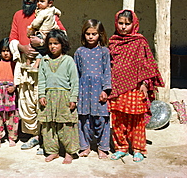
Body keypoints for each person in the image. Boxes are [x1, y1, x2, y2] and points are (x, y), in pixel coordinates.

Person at [9, 0, 66, 153]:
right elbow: (13, 38)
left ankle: (46, 138)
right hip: (24, 66)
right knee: (26, 100)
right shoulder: (18, 15)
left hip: (44, 65)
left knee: (42, 99)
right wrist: (22, 47)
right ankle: (34, 135)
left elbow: (62, 34)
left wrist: (42, 43)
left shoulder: (48, 14)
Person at [108, 9, 164, 163]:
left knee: (136, 120)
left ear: (134, 24)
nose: (123, 27)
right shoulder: (113, 41)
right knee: (118, 119)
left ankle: (138, 149)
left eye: (127, 23)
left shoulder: (140, 42)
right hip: (117, 87)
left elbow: (149, 65)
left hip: (135, 87)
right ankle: (121, 148)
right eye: (120, 23)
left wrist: (146, 83)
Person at [37, 29, 79, 164]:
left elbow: (74, 81)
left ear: (62, 44)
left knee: (67, 126)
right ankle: (52, 151)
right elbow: (41, 80)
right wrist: (41, 94)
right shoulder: (44, 60)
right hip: (48, 97)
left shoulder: (68, 60)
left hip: (64, 97)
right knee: (48, 126)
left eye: (56, 43)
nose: (53, 46)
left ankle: (69, 152)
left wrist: (73, 98)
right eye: (50, 43)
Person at [74, 19, 111, 159]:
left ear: (100, 34)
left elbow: (107, 71)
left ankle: (102, 147)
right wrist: (75, 93)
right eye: (88, 34)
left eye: (94, 34)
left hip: (99, 90)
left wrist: (105, 90)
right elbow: (76, 73)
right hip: (84, 90)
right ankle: (85, 146)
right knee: (84, 119)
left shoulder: (104, 52)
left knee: (102, 119)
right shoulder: (79, 52)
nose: (90, 37)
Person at [0, 37, 19, 147]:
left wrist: (15, 87)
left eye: (8, 51)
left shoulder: (15, 65)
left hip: (10, 95)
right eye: (3, 51)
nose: (6, 53)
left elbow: (18, 78)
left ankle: (12, 137)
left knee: (12, 117)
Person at [25, 0, 64, 72]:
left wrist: (31, 27)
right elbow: (58, 11)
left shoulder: (43, 12)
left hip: (42, 34)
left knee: (34, 47)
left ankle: (29, 63)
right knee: (41, 51)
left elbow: (36, 23)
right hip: (48, 34)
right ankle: (33, 65)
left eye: (42, 1)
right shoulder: (52, 10)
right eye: (38, 1)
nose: (39, 4)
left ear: (50, 3)